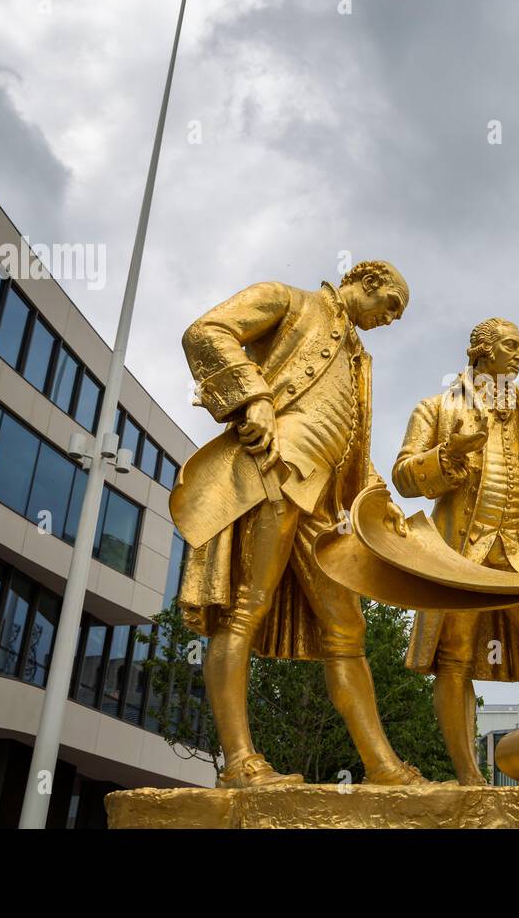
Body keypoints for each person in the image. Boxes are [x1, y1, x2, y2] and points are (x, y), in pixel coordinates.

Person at [171, 260, 424, 787]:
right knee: (245, 610)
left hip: (323, 502)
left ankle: (383, 768)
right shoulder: (287, 299)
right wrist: (254, 400)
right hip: (274, 473)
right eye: (392, 305)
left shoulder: (358, 359)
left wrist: (377, 496)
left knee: (347, 630)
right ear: (367, 282)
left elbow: (347, 444)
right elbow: (206, 331)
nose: (392, 318)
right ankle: (240, 763)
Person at [393, 318, 519, 785]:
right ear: (481, 350)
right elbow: (404, 476)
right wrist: (449, 454)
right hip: (461, 555)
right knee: (454, 657)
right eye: (510, 345)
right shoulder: (436, 408)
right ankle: (469, 778)